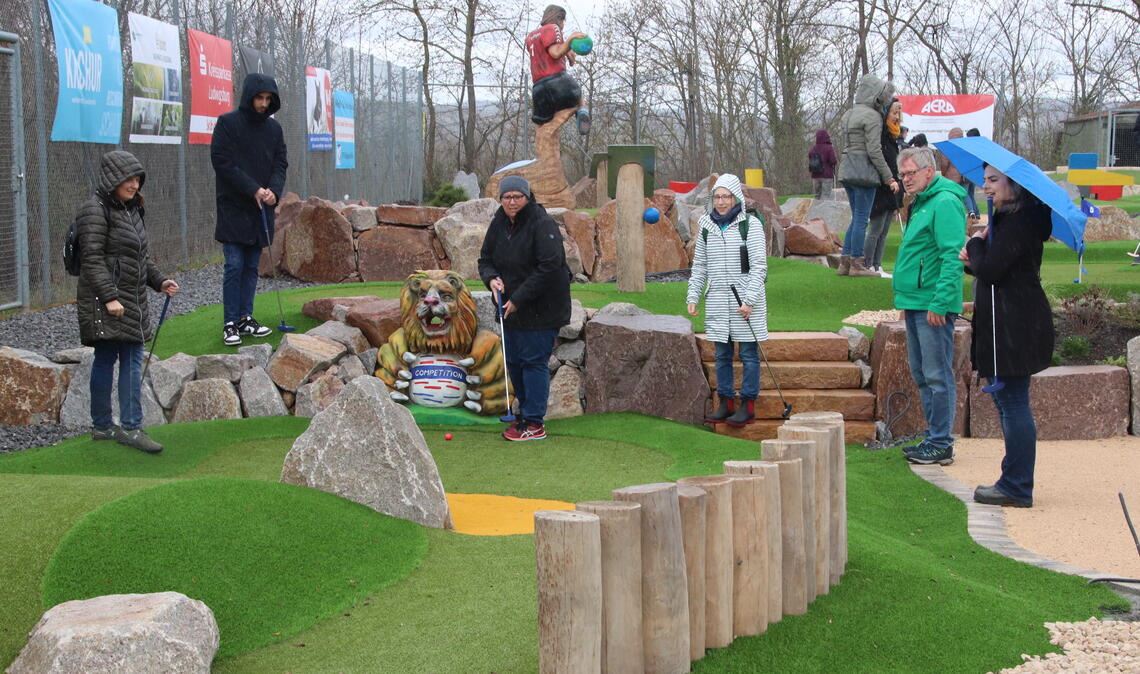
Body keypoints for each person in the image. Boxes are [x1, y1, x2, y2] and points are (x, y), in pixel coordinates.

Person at [958, 164, 1054, 507]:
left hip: (1016, 326)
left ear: (1016, 186)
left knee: (1013, 402)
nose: (986, 186)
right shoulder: (1008, 221)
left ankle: (1016, 485)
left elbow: (995, 270)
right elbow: (990, 267)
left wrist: (975, 243)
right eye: (984, 180)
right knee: (1007, 402)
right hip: (1006, 323)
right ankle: (1013, 479)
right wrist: (975, 256)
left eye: (994, 180)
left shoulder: (1021, 222)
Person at [76, 150, 180, 454]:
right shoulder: (94, 211)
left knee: (121, 359)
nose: (134, 184)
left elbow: (139, 259)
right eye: (128, 178)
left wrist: (160, 281)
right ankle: (123, 427)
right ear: (112, 178)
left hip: (131, 299)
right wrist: (109, 297)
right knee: (117, 359)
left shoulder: (131, 209)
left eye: (137, 178)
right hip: (105, 300)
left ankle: (108, 426)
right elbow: (91, 259)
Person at [478, 176, 571, 441]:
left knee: (532, 362)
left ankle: (534, 422)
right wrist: (491, 278)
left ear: (527, 197)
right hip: (510, 307)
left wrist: (518, 298)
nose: (512, 201)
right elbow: (485, 259)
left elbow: (550, 267)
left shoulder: (542, 224)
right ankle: (524, 414)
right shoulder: (499, 223)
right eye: (507, 197)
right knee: (515, 362)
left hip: (542, 307)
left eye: (517, 196)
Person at [892, 146, 966, 466]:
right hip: (915, 301)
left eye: (911, 173)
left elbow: (952, 257)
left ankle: (941, 442)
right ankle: (934, 436)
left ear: (928, 171)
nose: (906, 179)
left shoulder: (945, 202)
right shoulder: (921, 203)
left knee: (937, 374)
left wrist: (939, 301)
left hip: (932, 304)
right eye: (903, 174)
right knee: (922, 373)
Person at [211, 72, 288, 347]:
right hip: (235, 205)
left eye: (268, 99)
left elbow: (281, 163)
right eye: (259, 98)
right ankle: (230, 322)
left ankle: (246, 317)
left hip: (261, 208)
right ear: (249, 96)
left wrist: (273, 192)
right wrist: (253, 188)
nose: (263, 104)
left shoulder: (274, 130)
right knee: (234, 264)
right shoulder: (227, 123)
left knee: (252, 265)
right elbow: (222, 161)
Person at [686, 174, 769, 428]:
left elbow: (759, 267)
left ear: (735, 198)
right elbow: (700, 266)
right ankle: (725, 402)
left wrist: (750, 300)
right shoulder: (707, 227)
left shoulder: (750, 224)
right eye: (718, 197)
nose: (721, 202)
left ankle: (748, 405)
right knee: (722, 354)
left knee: (748, 354)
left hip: (744, 300)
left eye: (726, 196)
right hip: (718, 300)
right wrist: (693, 295)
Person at [837, 73, 899, 277]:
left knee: (857, 218)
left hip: (847, 168)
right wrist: (889, 177)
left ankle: (845, 262)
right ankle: (857, 263)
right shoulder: (872, 116)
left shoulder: (849, 114)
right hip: (864, 170)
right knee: (862, 218)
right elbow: (874, 151)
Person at [525, 5, 588, 131]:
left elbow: (561, 54)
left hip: (538, 89)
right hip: (557, 81)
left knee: (542, 125)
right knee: (578, 94)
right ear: (559, 19)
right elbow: (555, 52)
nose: (563, 24)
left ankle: (544, 146)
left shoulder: (530, 37)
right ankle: (583, 113)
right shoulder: (553, 28)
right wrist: (571, 39)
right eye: (563, 21)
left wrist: (569, 54)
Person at [864, 99, 903, 278]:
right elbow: (879, 160)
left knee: (885, 230)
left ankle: (878, 265)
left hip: (893, 188)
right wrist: (888, 179)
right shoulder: (881, 134)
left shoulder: (895, 137)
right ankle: (867, 264)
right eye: (894, 112)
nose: (897, 117)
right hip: (881, 187)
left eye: (899, 113)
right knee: (875, 229)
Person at [808, 129, 838, 199]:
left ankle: (817, 210)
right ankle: (824, 210)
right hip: (826, 176)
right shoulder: (829, 148)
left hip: (815, 176)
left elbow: (810, 156)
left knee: (817, 197)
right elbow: (833, 161)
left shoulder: (813, 148)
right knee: (826, 197)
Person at [963, 128, 982, 219]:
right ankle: (977, 213)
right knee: (970, 194)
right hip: (974, 173)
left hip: (968, 172)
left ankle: (971, 212)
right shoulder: (980, 146)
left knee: (965, 193)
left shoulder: (970, 147)